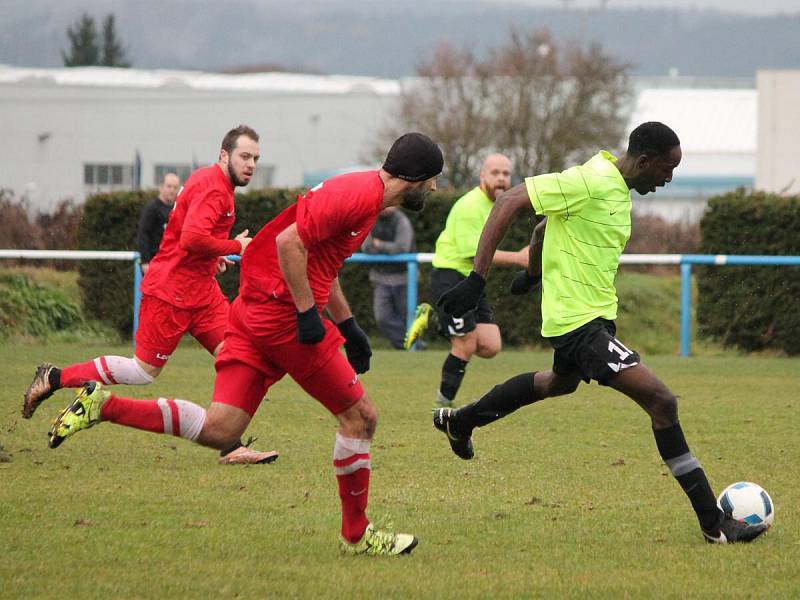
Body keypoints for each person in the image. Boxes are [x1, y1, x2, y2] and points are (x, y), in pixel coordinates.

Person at [46, 132, 444, 556]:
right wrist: (309, 316)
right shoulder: (360, 197)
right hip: (280, 317)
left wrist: (348, 326)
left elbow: (320, 262)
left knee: (221, 431)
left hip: (254, 311)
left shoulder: (365, 194)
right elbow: (288, 244)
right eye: (433, 179)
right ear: (413, 176)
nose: (435, 188)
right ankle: (356, 535)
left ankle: (102, 406)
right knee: (361, 418)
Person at [433, 122, 769, 545]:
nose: (669, 179)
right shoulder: (591, 180)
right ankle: (713, 523)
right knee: (662, 402)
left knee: (557, 383)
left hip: (593, 319)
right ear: (644, 161)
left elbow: (541, 230)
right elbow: (512, 201)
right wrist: (477, 280)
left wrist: (534, 274)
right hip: (578, 324)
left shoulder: (615, 191)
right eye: (667, 170)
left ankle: (460, 422)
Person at [23, 125, 276, 465]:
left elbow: (190, 238)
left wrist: (214, 257)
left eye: (256, 159)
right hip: (171, 293)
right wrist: (236, 246)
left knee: (238, 355)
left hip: (201, 293)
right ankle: (54, 377)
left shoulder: (212, 183)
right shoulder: (214, 189)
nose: (251, 165)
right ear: (224, 155)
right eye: (245, 156)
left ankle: (230, 444)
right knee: (142, 372)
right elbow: (190, 238)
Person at [417, 154, 528, 407]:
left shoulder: (496, 205)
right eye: (495, 173)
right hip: (451, 276)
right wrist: (520, 259)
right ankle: (443, 403)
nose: (501, 178)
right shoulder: (470, 206)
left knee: (490, 345)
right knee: (465, 343)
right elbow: (474, 252)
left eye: (506, 174)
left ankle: (440, 322)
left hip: (471, 279)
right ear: (482, 177)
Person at [360, 206, 416, 349]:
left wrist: (379, 245)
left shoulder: (401, 220)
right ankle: (407, 344)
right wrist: (388, 248)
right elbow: (366, 247)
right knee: (382, 317)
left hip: (403, 277)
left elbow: (402, 247)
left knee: (407, 317)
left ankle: (411, 344)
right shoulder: (371, 219)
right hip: (380, 278)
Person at [137, 172, 180, 274]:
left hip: (172, 263)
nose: (172, 190)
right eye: (169, 186)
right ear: (161, 187)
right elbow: (143, 234)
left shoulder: (177, 208)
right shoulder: (152, 208)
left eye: (175, 187)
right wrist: (145, 261)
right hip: (154, 262)